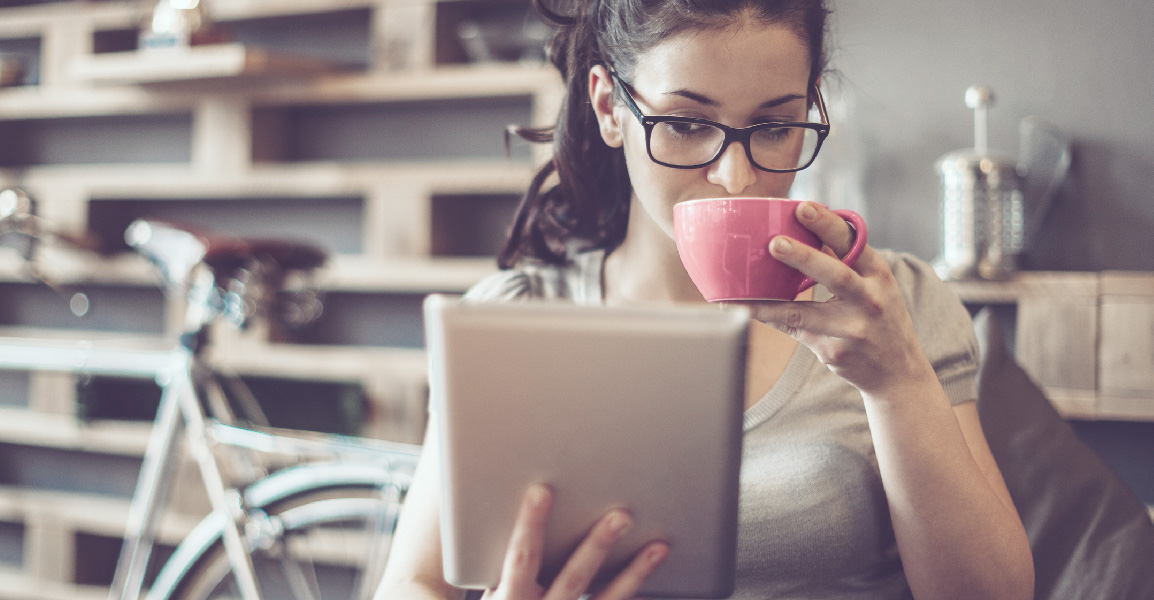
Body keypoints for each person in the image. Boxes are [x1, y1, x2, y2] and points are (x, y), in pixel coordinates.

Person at [375, 0, 1035, 598]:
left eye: (776, 127)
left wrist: (898, 383)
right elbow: (412, 583)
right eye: (687, 123)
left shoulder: (892, 309)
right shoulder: (510, 320)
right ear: (609, 108)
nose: (736, 177)